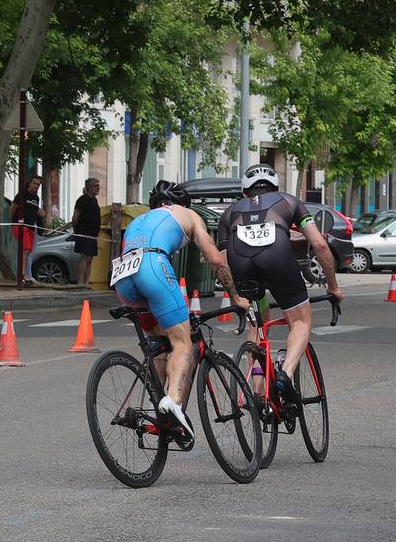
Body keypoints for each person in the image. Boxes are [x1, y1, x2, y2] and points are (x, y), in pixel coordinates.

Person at [110, 180, 235, 438]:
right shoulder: (188, 214)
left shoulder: (137, 222)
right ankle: (173, 402)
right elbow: (214, 258)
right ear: (181, 203)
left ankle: (160, 409)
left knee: (160, 339)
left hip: (123, 280)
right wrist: (235, 295)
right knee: (183, 343)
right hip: (153, 268)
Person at [219, 164, 345, 408]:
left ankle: (255, 391)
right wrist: (333, 286)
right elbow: (319, 245)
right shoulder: (288, 201)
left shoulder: (230, 211)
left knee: (258, 322)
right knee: (300, 321)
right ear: (275, 187)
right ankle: (285, 374)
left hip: (241, 263)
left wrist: (235, 295)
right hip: (276, 257)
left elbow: (222, 261)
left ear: (245, 191)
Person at [11, 175, 45, 285]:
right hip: (20, 225)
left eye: (38, 184)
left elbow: (35, 212)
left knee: (29, 251)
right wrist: (12, 222)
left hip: (31, 227)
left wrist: (41, 213)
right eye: (34, 183)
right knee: (25, 249)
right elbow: (13, 208)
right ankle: (22, 275)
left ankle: (26, 275)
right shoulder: (22, 195)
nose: (36, 186)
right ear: (30, 183)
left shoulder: (36, 198)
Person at [71, 178, 101, 285]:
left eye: (98, 185)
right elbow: (75, 218)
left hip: (93, 235)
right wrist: (77, 232)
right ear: (89, 187)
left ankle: (86, 282)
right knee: (85, 257)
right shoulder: (82, 200)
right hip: (84, 233)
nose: (98, 188)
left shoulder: (94, 200)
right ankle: (80, 282)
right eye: (96, 186)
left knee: (90, 259)